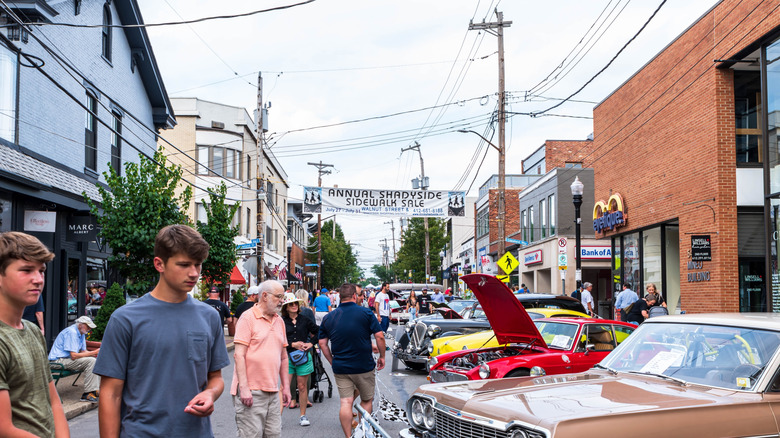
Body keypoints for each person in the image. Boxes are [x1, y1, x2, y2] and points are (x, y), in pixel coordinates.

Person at [95, 225, 230, 437]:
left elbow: (216, 377)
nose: (194, 273)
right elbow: (110, 393)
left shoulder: (210, 316)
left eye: (198, 264)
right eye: (184, 264)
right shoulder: (125, 319)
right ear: (159, 264)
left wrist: (211, 393)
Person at [0, 231, 68, 437]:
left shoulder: (32, 331)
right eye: (27, 270)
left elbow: (54, 402)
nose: (38, 279)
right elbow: (4, 428)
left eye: (42, 270)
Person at [319, 283, 385, 438]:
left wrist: (332, 361)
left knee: (346, 403)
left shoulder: (329, 317)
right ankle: (362, 433)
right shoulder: (366, 313)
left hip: (341, 367)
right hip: (364, 366)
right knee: (367, 400)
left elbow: (322, 343)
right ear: (355, 296)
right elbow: (380, 336)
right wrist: (382, 356)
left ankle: (348, 436)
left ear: (339, 297)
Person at [230, 280, 291, 437]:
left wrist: (285, 387)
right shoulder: (247, 318)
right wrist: (243, 388)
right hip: (252, 390)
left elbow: (284, 358)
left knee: (274, 434)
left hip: (272, 390)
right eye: (278, 296)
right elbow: (239, 355)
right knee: (251, 434)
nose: (282, 301)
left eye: (282, 296)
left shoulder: (279, 321)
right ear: (264, 296)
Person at [281, 293, 318, 426]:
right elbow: (278, 339)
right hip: (287, 357)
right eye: (291, 304)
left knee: (302, 387)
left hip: (303, 357)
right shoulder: (281, 321)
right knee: (284, 387)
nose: (294, 306)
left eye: (296, 303)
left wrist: (311, 343)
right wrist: (292, 344)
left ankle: (303, 415)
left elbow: (318, 331)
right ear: (286, 306)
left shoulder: (304, 319)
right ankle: (276, 418)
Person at [48, 316, 101, 402]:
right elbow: (73, 355)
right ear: (80, 325)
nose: (89, 329)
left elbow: (84, 351)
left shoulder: (81, 333)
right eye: (88, 326)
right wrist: (94, 353)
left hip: (67, 360)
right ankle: (87, 394)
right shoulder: (71, 332)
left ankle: (94, 389)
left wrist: (95, 355)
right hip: (57, 361)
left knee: (94, 360)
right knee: (91, 361)